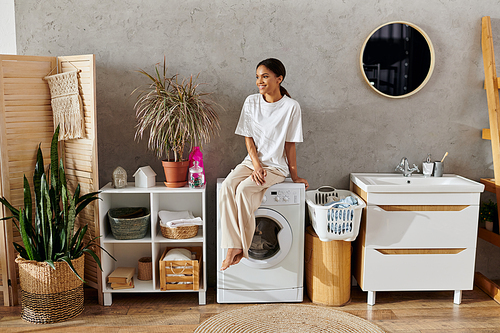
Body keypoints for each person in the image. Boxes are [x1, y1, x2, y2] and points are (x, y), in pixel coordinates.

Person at [219, 58, 309, 271]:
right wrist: (257, 165)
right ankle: (233, 246)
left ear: (279, 79)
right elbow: (248, 138)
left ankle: (241, 246)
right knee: (227, 188)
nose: (260, 81)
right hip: (251, 163)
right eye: (258, 77)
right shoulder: (251, 102)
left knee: (243, 190)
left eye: (265, 76)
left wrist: (295, 177)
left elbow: (290, 146)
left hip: (275, 167)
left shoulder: (291, 107)